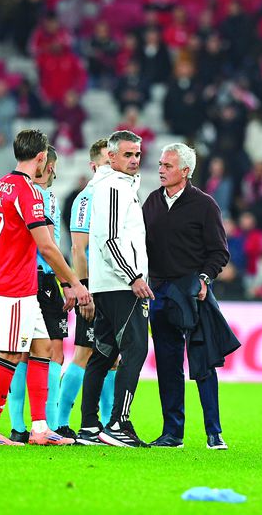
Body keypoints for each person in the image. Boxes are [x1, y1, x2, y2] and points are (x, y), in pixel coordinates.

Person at [0, 128, 90, 446]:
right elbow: (48, 247)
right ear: (41, 158)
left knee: (41, 350)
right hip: (15, 286)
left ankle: (40, 429)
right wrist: (74, 283)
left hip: (12, 282)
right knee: (11, 353)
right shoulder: (27, 191)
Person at [142, 143, 240, 450]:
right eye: (160, 164)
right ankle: (173, 433)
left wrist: (204, 278)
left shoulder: (205, 205)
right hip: (159, 291)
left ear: (186, 171)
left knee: (203, 362)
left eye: (168, 166)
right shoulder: (152, 202)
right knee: (168, 365)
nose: (161, 169)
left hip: (191, 291)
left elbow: (219, 252)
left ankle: (214, 432)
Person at [76, 130, 153, 447]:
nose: (134, 160)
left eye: (137, 154)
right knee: (136, 350)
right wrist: (134, 276)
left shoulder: (116, 186)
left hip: (108, 284)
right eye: (128, 154)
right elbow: (109, 239)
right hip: (122, 285)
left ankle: (89, 427)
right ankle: (118, 424)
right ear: (111, 157)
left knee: (103, 354)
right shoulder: (113, 188)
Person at [6, 146, 70, 443]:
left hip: (39, 279)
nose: (54, 171)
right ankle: (34, 425)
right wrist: (68, 280)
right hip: (38, 278)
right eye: (52, 165)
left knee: (36, 351)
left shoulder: (47, 196)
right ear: (45, 164)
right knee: (38, 351)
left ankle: (33, 426)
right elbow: (45, 246)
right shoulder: (33, 196)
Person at [55, 139, 117, 437]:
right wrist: (83, 290)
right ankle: (60, 421)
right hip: (94, 287)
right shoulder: (86, 198)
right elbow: (78, 249)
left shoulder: (118, 195)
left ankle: (108, 424)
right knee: (84, 352)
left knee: (114, 357)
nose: (113, 166)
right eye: (107, 162)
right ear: (94, 166)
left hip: (117, 286)